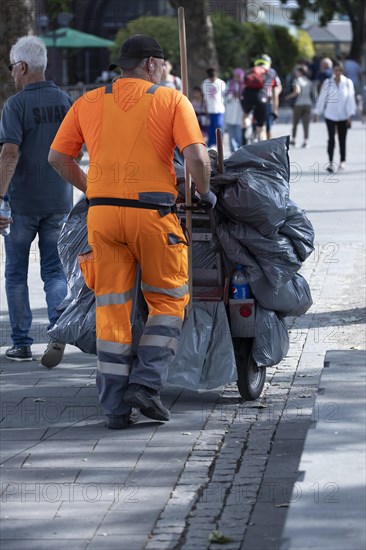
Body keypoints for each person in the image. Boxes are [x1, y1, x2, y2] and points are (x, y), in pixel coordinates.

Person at [48, 34, 216, 429]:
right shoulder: (171, 100)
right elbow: (196, 158)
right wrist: (204, 193)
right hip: (152, 215)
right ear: (153, 64)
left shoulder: (87, 101)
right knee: (169, 298)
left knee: (112, 309)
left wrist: (93, 189)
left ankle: (114, 408)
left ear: (122, 66)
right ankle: (145, 384)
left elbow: (57, 157)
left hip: (102, 219)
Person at [0, 36, 73, 366]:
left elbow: (9, 153)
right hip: (59, 197)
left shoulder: (15, 105)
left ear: (24, 67)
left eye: (12, 67)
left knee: (16, 273)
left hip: (21, 202)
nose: (12, 73)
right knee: (55, 271)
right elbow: (77, 149)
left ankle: (21, 342)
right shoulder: (66, 100)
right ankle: (58, 331)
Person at [313, 62, 356, 173]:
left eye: (339, 70)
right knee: (331, 139)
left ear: (342, 71)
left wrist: (350, 114)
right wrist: (317, 112)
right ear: (333, 71)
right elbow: (322, 98)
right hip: (330, 115)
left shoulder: (347, 83)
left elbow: (351, 99)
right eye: (335, 70)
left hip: (344, 115)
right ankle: (331, 162)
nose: (337, 73)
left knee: (342, 139)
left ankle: (342, 160)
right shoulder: (328, 82)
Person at [241, 54, 281, 141]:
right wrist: (275, 110)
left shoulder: (250, 71)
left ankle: (246, 126)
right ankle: (262, 144)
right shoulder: (271, 72)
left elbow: (243, 86)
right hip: (262, 98)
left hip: (248, 96)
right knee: (262, 128)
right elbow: (275, 93)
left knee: (246, 115)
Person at [285, 65, 315, 148]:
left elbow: (296, 91)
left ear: (300, 72)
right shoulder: (309, 81)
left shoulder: (296, 80)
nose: (295, 73)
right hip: (308, 104)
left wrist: (288, 97)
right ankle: (306, 141)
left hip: (299, 104)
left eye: (297, 71)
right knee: (306, 124)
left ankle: (294, 140)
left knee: (295, 123)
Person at [201, 67, 226, 148]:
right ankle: (211, 145)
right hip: (209, 109)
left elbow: (224, 96)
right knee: (210, 129)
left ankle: (219, 144)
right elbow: (205, 97)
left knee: (219, 126)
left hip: (219, 109)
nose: (212, 79)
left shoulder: (221, 83)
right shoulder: (205, 83)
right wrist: (205, 109)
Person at [225, 68, 245, 152]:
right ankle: (233, 151)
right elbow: (225, 97)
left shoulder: (245, 85)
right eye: (236, 76)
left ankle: (239, 149)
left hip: (240, 113)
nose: (237, 78)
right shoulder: (230, 83)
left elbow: (247, 98)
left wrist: (240, 96)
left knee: (239, 133)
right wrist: (232, 95)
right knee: (231, 134)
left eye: (238, 76)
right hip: (230, 111)